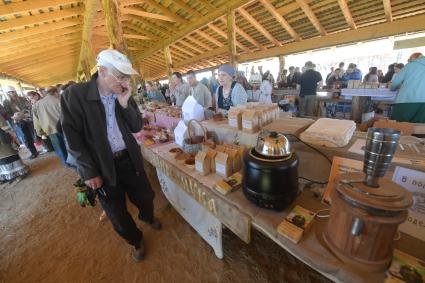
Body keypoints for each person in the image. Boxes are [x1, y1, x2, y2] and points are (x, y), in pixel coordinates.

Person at [61, 49, 161, 262]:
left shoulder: (122, 91)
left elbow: (135, 126)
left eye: (127, 77)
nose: (125, 81)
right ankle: (135, 240)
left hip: (128, 157)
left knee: (146, 197)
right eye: (121, 76)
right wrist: (88, 170)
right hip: (101, 166)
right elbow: (72, 138)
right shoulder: (75, 95)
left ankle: (147, 216)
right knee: (117, 214)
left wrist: (125, 103)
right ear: (102, 71)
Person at [32, 86, 68, 165]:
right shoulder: (60, 100)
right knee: (69, 145)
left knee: (59, 148)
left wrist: (40, 132)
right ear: (55, 92)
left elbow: (36, 121)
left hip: (50, 130)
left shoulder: (37, 104)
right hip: (65, 128)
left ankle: (66, 162)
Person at [2, 86, 38, 159]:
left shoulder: (22, 98)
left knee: (34, 134)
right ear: (8, 93)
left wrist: (27, 112)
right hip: (18, 122)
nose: (13, 93)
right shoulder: (6, 102)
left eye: (13, 91)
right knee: (25, 137)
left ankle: (38, 149)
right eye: (10, 92)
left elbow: (29, 106)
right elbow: (7, 113)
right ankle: (33, 152)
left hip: (28, 119)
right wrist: (14, 117)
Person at [390, 53, 425, 123]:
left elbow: (395, 82)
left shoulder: (410, 65)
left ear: (414, 58)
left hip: (406, 100)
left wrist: (392, 88)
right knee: (420, 128)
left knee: (397, 125)